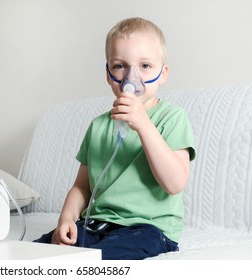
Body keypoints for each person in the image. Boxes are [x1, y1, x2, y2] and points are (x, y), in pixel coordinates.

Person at [33, 17, 196, 260]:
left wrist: (143, 124)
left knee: (93, 260)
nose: (131, 76)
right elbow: (82, 186)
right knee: (35, 253)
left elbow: (174, 183)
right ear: (109, 74)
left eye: (145, 66)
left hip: (148, 228)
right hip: (97, 224)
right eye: (120, 66)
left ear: (163, 74)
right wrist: (66, 219)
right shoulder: (98, 126)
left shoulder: (172, 118)